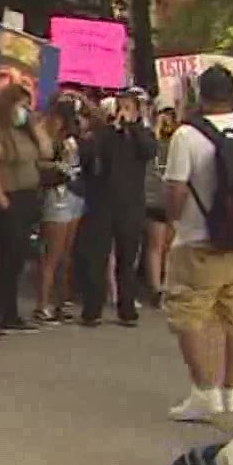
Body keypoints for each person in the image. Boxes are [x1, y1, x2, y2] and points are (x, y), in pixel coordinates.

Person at [163, 65, 233, 421]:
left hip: (199, 240)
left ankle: (203, 391)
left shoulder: (186, 135)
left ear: (200, 94)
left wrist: (173, 220)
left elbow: (176, 188)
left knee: (188, 314)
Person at [75, 91, 156, 327]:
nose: (124, 111)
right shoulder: (103, 135)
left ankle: (127, 308)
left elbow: (149, 150)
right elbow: (89, 157)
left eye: (129, 107)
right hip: (102, 203)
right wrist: (108, 128)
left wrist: (132, 128)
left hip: (130, 204)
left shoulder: (142, 134)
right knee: (97, 258)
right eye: (121, 106)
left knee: (127, 258)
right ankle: (93, 309)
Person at [0, 84, 46, 336]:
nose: (25, 110)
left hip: (27, 196)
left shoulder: (23, 130)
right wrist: (2, 201)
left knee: (18, 258)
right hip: (4, 197)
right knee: (7, 257)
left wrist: (34, 125)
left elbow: (45, 150)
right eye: (21, 105)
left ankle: (10, 312)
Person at [32, 93, 84, 324]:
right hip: (56, 194)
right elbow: (39, 160)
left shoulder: (76, 132)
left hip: (75, 194)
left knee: (66, 254)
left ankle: (60, 302)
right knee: (52, 254)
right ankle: (42, 304)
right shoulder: (44, 129)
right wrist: (56, 164)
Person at [142, 106, 180, 306]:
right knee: (155, 245)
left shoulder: (179, 140)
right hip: (154, 199)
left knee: (170, 247)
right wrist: (156, 127)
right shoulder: (151, 140)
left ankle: (167, 285)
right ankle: (155, 288)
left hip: (172, 200)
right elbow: (148, 149)